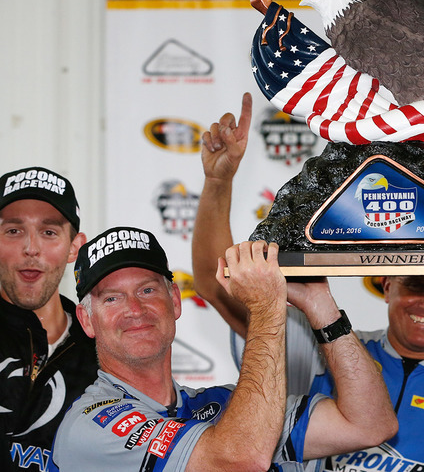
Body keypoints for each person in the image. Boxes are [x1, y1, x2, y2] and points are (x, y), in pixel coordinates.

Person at [191, 93, 424, 472]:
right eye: (415, 286)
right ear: (386, 285)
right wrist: (218, 181)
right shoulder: (325, 348)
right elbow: (218, 284)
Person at [50, 226, 397, 471]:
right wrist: (265, 308)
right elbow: (238, 461)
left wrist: (320, 304)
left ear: (174, 301)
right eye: (112, 298)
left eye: (147, 290)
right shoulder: (92, 424)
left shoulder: (222, 407)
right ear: (87, 319)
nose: (135, 310)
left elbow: (370, 425)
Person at [0, 166, 95, 472]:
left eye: (49, 232)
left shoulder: (105, 347)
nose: (31, 248)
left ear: (74, 247)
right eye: (13, 231)